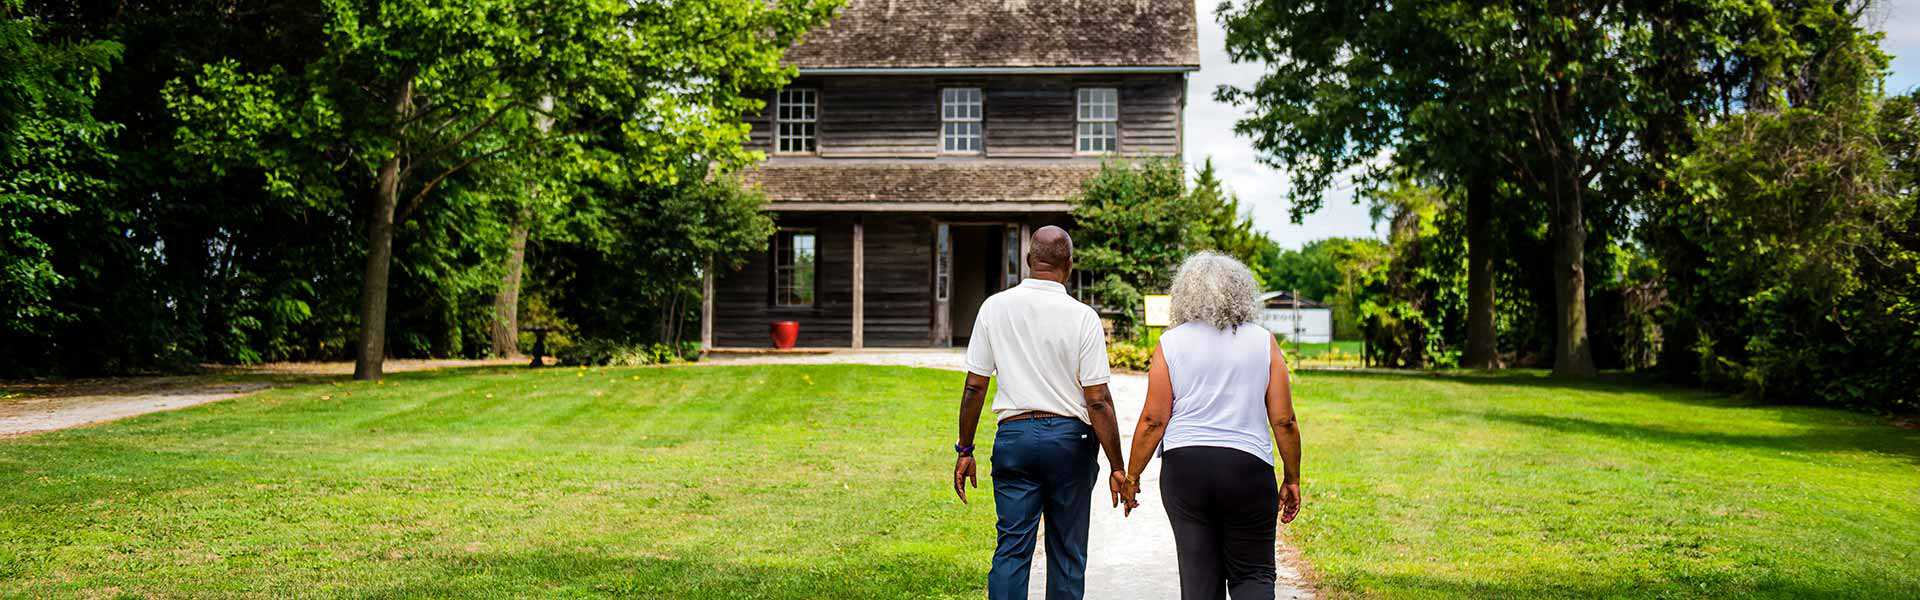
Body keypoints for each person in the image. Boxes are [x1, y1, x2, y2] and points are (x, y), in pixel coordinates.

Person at [952, 225, 1133, 600]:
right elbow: (1097, 399)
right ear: (1069, 264)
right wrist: (1118, 466)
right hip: (1070, 442)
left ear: (1029, 261)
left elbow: (975, 386)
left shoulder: (994, 307)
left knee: (1012, 550)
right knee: (1067, 551)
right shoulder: (1083, 317)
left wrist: (965, 450)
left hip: (1014, 439)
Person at [1122, 252, 1304, 600]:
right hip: (1247, 469)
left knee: (1199, 581)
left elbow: (1152, 421)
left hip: (1185, 469)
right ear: (1241, 292)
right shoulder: (1263, 341)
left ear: (1186, 294)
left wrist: (1132, 477)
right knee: (1253, 574)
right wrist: (1292, 478)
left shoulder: (1170, 344)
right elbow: (1284, 420)